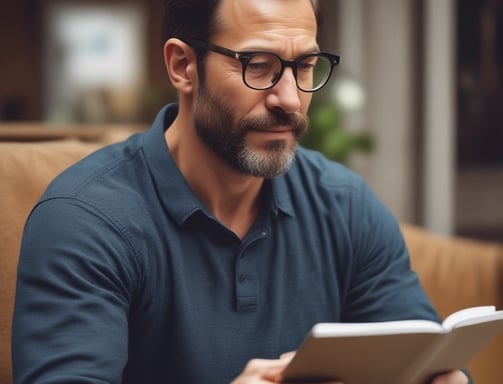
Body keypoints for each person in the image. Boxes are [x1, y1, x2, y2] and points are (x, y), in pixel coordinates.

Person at [12, 0, 470, 383]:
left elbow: (421, 352)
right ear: (183, 66)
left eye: (306, 66)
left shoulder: (344, 204)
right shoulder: (85, 219)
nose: (289, 99)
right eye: (259, 66)